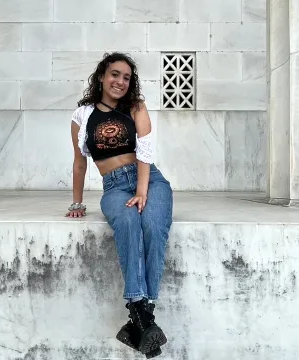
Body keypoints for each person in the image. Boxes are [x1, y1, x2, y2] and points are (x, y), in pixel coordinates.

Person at [66, 52, 173, 358]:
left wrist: (142, 191)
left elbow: (146, 151)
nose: (120, 82)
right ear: (101, 76)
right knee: (127, 222)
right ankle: (143, 320)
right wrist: (77, 202)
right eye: (115, 74)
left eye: (126, 77)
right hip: (113, 186)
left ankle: (138, 316)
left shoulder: (136, 107)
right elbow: (79, 163)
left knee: (152, 224)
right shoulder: (82, 115)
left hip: (150, 180)